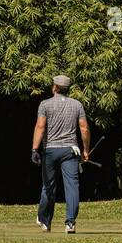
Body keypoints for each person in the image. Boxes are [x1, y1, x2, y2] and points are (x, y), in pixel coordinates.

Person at [31, 74, 90, 233]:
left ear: (55, 87)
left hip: (50, 150)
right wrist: (86, 150)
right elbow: (83, 128)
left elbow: (40, 127)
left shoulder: (45, 104)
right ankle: (70, 223)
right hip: (70, 150)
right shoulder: (77, 105)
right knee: (72, 187)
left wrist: (35, 149)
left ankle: (45, 221)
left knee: (48, 186)